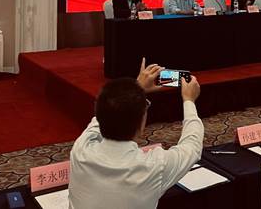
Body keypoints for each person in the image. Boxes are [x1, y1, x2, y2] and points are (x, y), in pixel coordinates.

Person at [68, 58, 203, 209]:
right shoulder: (154, 166)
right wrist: (189, 100)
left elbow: (101, 119)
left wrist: (137, 89)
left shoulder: (80, 150)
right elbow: (192, 146)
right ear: (142, 124)